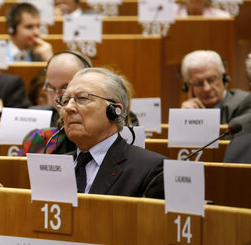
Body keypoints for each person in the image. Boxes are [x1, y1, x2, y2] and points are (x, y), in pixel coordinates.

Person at [58, 67, 165, 198]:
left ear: (114, 111)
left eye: (82, 98)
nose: (68, 107)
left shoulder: (152, 170)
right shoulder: (56, 166)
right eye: (64, 101)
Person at [18, 50, 91, 155]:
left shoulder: (103, 124)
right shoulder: (36, 126)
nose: (57, 97)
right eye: (51, 88)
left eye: (64, 88)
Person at [179, 50, 251, 124]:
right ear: (188, 87)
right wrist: (185, 118)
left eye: (211, 80)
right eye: (198, 83)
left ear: (224, 79)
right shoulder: (189, 110)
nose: (207, 89)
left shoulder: (244, 103)